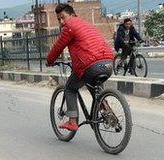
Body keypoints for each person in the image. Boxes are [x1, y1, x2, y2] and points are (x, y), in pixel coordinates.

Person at [46, 4, 114, 132]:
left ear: (72, 15)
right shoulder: (88, 25)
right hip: (108, 62)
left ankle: (72, 121)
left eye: (63, 17)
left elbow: (58, 47)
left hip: (90, 65)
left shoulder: (70, 27)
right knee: (96, 89)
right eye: (59, 19)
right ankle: (107, 111)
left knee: (70, 88)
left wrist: (49, 61)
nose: (61, 22)